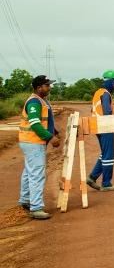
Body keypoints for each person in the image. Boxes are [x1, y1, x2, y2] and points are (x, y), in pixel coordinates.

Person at [18, 75, 61, 220]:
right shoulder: (34, 102)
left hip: (30, 142)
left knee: (28, 172)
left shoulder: (41, 100)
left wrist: (54, 131)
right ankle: (35, 208)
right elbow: (35, 124)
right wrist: (50, 137)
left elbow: (44, 121)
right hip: (33, 142)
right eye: (47, 85)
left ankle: (25, 200)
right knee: (36, 174)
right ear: (38, 88)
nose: (49, 87)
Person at [86, 70, 114, 191]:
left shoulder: (98, 93)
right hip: (105, 126)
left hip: (98, 126)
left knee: (104, 153)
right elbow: (107, 112)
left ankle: (92, 177)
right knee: (109, 155)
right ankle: (106, 183)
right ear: (111, 81)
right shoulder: (106, 94)